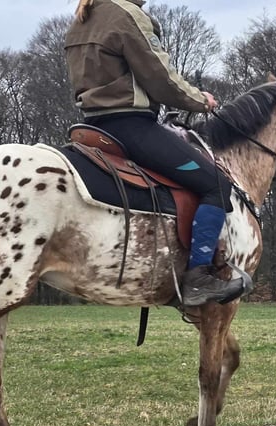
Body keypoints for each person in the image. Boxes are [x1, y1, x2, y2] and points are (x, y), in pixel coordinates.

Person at [65, 0, 239, 307]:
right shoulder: (127, 14)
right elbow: (162, 79)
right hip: (131, 127)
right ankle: (199, 277)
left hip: (92, 126)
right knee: (216, 183)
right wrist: (202, 100)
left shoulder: (81, 20)